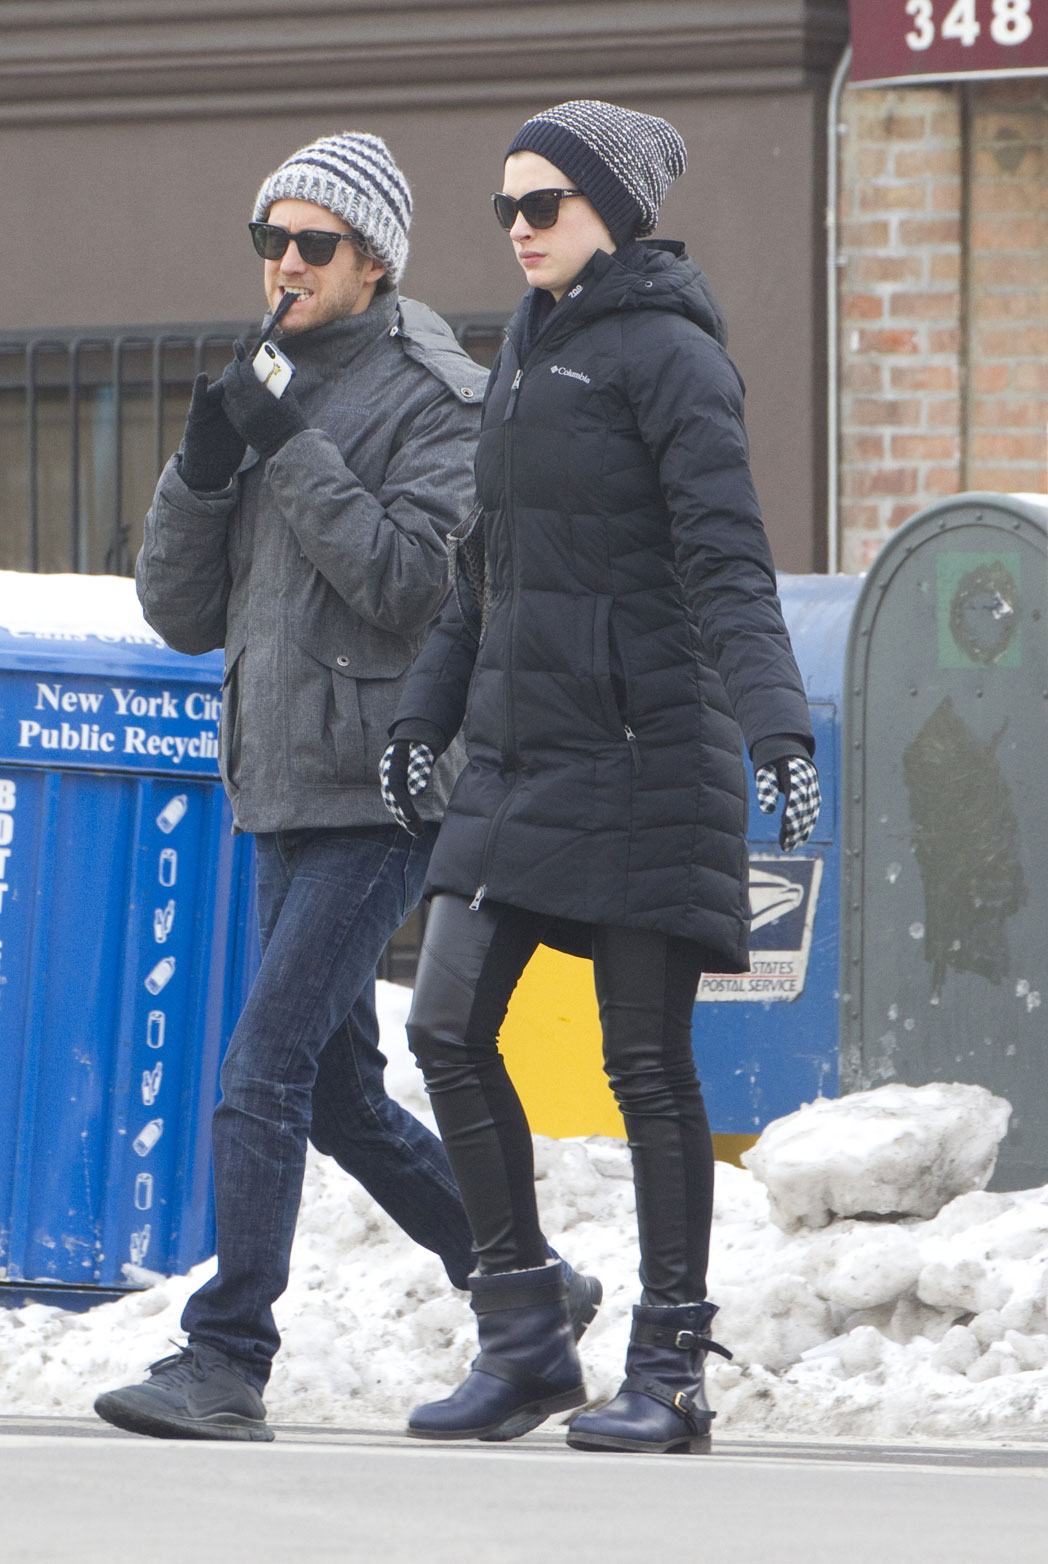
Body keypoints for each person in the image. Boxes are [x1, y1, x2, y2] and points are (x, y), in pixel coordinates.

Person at [94, 131, 598, 1443]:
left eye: (313, 243)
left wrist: (290, 442)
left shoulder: (436, 393)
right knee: (328, 1092)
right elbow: (178, 614)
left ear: (373, 260)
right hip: (280, 789)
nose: (284, 262)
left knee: (259, 1062)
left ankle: (227, 1355)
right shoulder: (267, 382)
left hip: (383, 789)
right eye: (271, 239)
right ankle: (527, 1287)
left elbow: (413, 588)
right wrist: (204, 470)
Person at [378, 100, 820, 1453]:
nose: (517, 231)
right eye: (505, 208)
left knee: (644, 1060)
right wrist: (421, 716)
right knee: (447, 1024)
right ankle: (522, 1338)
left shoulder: (673, 358)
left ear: (612, 214)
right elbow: (481, 572)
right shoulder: (521, 344)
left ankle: (673, 1369)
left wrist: (779, 732)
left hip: (644, 753)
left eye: (543, 207)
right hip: (518, 752)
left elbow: (729, 563)